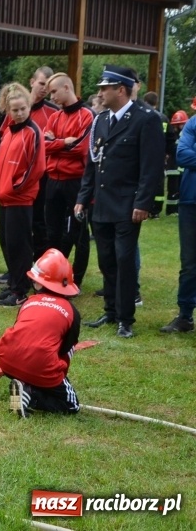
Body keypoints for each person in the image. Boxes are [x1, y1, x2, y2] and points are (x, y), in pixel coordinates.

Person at [74, 65, 165, 339]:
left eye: (105, 88)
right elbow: (93, 163)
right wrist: (82, 198)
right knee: (106, 260)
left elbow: (151, 167)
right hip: (101, 203)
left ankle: (126, 318)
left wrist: (143, 202)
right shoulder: (101, 120)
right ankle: (111, 310)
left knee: (124, 260)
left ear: (121, 90)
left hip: (127, 204)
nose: (100, 93)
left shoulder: (145, 120)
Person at [0, 248, 81, 418]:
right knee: (72, 405)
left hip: (6, 361)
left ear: (39, 283)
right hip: (41, 365)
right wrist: (53, 376)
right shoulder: (72, 312)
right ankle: (30, 394)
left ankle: (23, 385)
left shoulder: (28, 302)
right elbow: (66, 350)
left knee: (33, 361)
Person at [0, 83, 46, 308]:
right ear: (8, 110)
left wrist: (15, 187)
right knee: (7, 243)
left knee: (20, 245)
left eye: (23, 108)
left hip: (19, 199)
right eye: (15, 110)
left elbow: (37, 167)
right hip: (5, 198)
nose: (20, 113)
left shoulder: (32, 132)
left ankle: (20, 290)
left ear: (29, 107)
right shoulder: (9, 132)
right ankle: (13, 283)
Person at [43, 73, 93, 287]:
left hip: (75, 181)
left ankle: (76, 279)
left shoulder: (87, 115)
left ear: (66, 87)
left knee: (79, 232)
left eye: (54, 91)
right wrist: (64, 143)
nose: (51, 97)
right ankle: (52, 275)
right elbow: (43, 145)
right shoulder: (54, 117)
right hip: (53, 180)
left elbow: (81, 148)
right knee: (52, 231)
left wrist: (55, 142)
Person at [160, 111, 196, 333]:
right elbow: (182, 155)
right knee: (189, 263)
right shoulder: (193, 123)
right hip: (190, 201)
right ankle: (185, 316)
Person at [165, 110, 188, 216]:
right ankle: (171, 210)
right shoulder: (174, 135)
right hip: (173, 167)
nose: (178, 126)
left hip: (179, 167)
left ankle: (176, 209)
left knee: (179, 189)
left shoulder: (184, 134)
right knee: (173, 189)